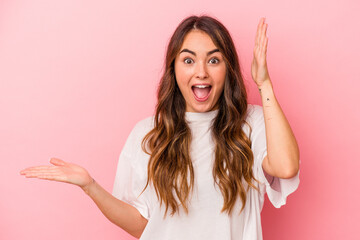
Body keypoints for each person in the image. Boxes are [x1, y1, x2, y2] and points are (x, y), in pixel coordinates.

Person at [20, 15, 300, 239]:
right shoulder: (147, 135)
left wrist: (264, 84)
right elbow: (142, 226)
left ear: (227, 69)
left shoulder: (251, 123)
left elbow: (286, 167)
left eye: (213, 60)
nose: (201, 71)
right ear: (174, 69)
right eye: (188, 60)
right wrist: (90, 186)